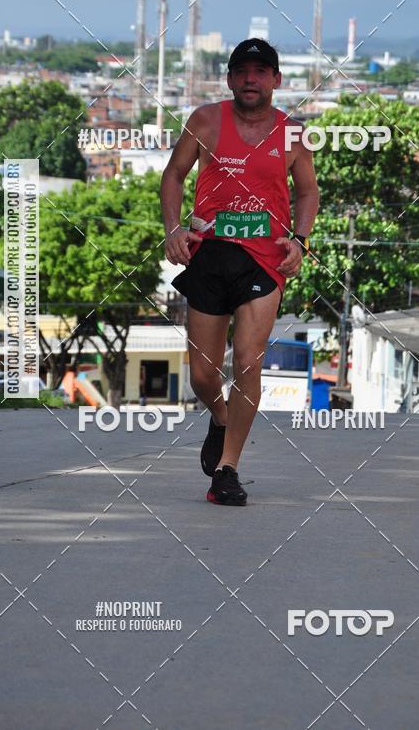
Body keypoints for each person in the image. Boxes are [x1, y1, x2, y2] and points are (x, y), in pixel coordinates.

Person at [160, 38, 319, 505]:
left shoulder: (294, 134)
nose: (251, 79)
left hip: (265, 259)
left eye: (261, 71)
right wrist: (173, 229)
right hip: (208, 255)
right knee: (205, 377)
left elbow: (307, 192)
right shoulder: (205, 121)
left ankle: (227, 470)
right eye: (242, 71)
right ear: (230, 79)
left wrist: (301, 238)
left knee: (248, 358)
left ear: (276, 80)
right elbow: (173, 175)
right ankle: (222, 416)